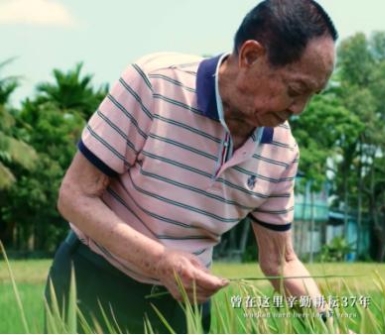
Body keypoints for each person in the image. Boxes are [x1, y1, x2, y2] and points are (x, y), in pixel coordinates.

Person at [44, 0, 338, 333]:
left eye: (313, 94)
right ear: (251, 56)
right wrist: (159, 261)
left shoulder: (282, 152)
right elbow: (74, 196)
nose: (300, 108)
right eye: (295, 90)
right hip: (94, 283)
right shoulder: (155, 84)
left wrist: (330, 327)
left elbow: (282, 262)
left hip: (186, 305)